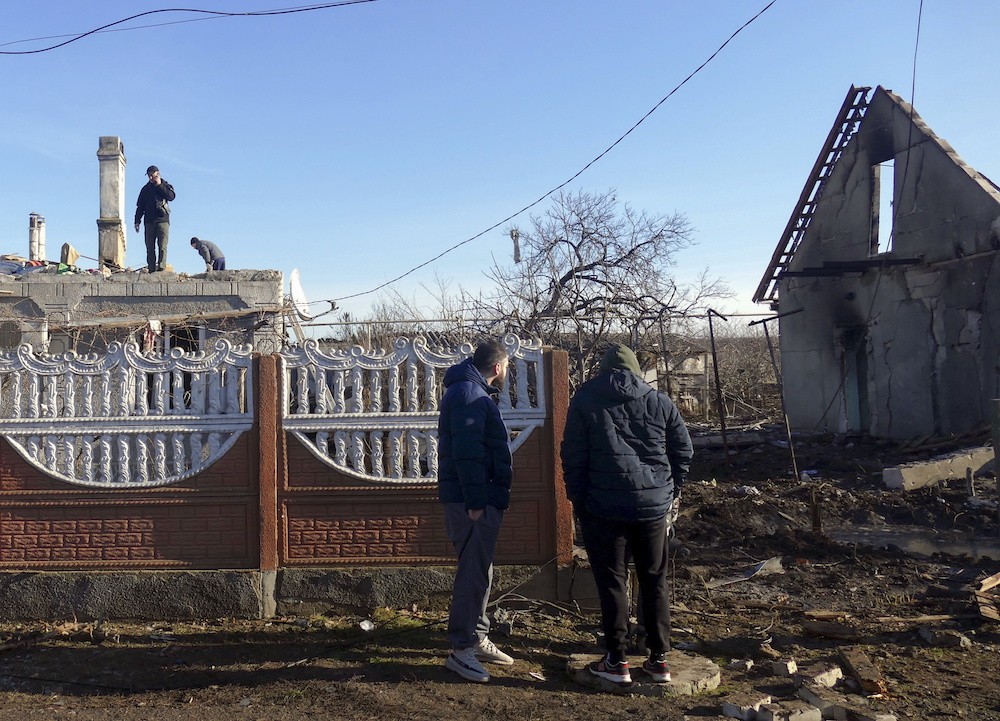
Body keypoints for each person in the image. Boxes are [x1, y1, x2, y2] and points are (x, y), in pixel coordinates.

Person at [561, 343, 693, 685]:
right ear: (635, 369)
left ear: (603, 369)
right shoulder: (658, 400)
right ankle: (659, 659)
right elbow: (683, 449)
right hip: (652, 508)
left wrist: (579, 500)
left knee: (612, 581)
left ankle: (616, 660)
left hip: (603, 508)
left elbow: (572, 456)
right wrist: (671, 490)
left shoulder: (586, 400)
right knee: (654, 579)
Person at [436, 340, 515, 683]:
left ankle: (476, 635)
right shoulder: (469, 394)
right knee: (473, 574)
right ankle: (462, 650)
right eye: (507, 366)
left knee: (480, 571)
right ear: (497, 367)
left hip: (478, 498)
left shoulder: (470, 390)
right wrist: (475, 503)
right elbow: (467, 453)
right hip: (473, 502)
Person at [134, 165, 176, 273]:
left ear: (157, 174)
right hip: (149, 222)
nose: (150, 178)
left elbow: (171, 197)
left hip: (163, 220)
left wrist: (159, 185)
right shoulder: (145, 189)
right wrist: (137, 221)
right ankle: (151, 269)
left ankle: (161, 267)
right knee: (150, 247)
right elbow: (140, 207)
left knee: (162, 245)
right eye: (149, 176)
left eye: (152, 175)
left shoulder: (166, 185)